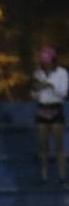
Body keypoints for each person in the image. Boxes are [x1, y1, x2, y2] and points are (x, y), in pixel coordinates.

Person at [32, 47, 67, 186]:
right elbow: (34, 94)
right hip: (42, 109)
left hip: (55, 108)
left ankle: (62, 176)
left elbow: (63, 93)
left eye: (48, 62)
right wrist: (38, 90)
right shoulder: (38, 73)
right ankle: (44, 175)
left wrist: (50, 85)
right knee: (43, 145)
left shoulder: (62, 73)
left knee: (59, 146)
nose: (46, 65)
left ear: (53, 61)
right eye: (44, 63)